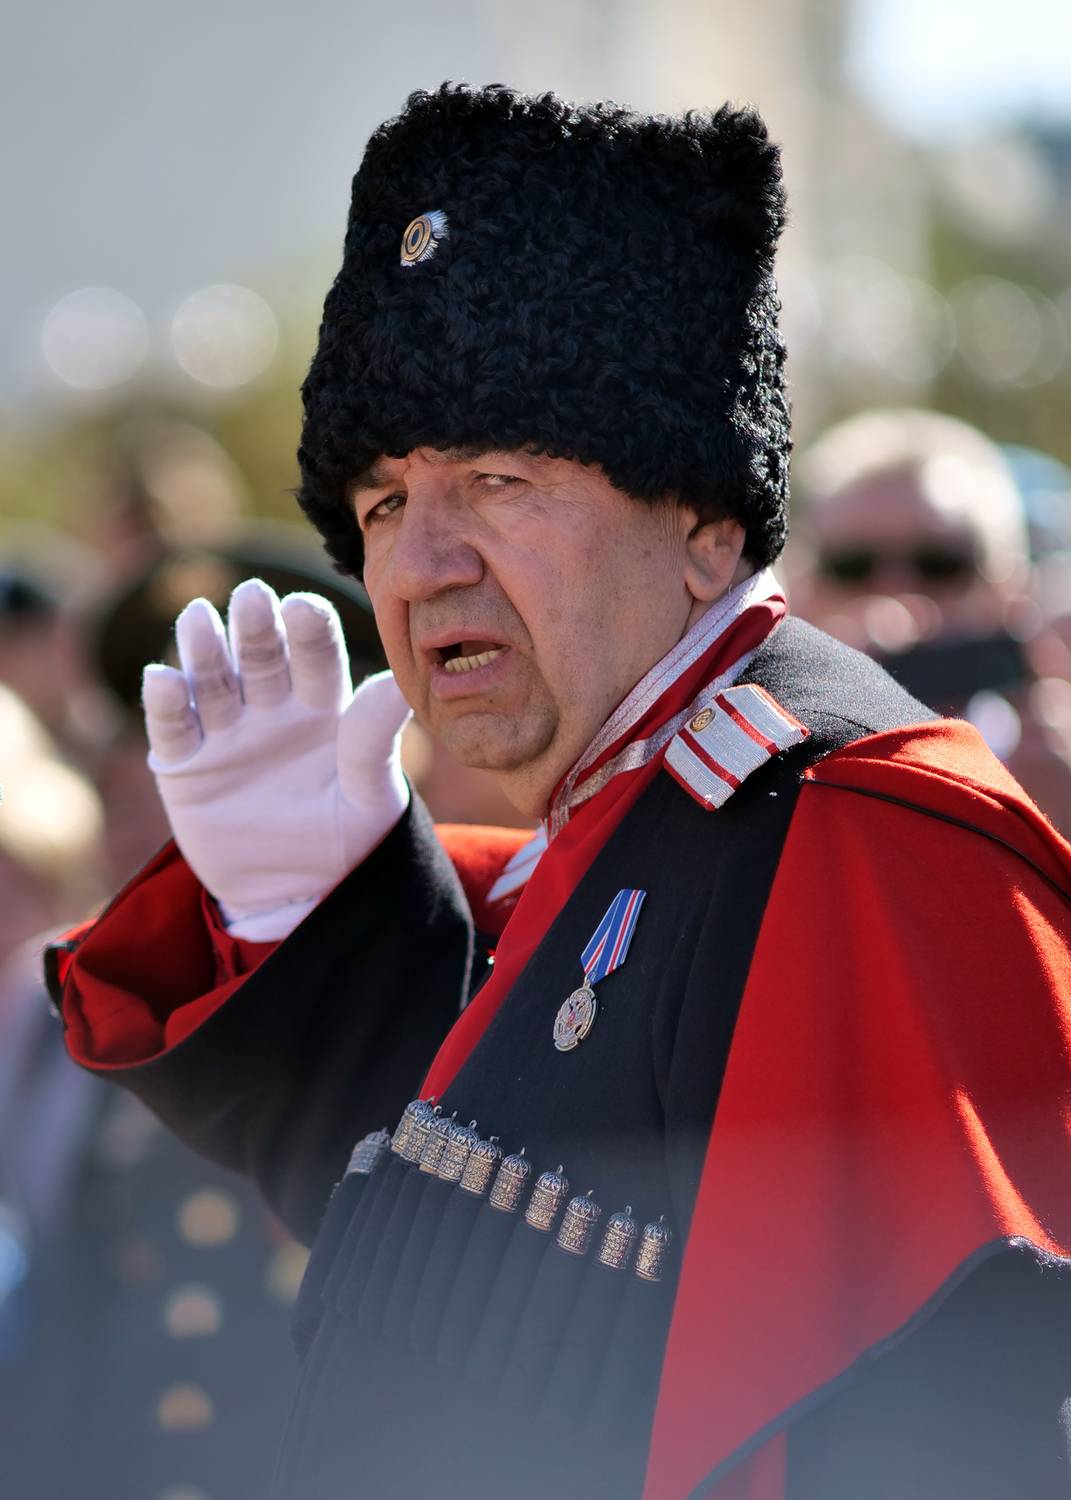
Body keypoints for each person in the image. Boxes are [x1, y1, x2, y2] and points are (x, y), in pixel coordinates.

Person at [49, 85, 1071, 1499]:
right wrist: (319, 925)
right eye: (385, 504)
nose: (419, 566)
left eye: (496, 478)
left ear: (704, 527)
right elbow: (488, 1306)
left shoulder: (860, 836)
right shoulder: (621, 828)